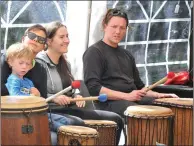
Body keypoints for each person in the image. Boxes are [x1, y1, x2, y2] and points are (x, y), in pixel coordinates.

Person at [35, 21, 124, 145]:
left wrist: (76, 95)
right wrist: (53, 98)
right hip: (51, 112)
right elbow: (35, 95)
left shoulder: (66, 64)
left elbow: (72, 88)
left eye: (67, 36)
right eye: (61, 37)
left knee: (116, 119)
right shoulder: (38, 64)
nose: (67, 40)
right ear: (49, 41)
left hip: (68, 109)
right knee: (77, 123)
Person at [83, 8, 179, 118]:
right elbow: (93, 88)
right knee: (141, 112)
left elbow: (140, 87)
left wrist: (160, 95)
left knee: (167, 106)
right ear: (105, 26)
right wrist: (127, 96)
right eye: (114, 27)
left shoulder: (127, 55)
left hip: (130, 100)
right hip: (108, 104)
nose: (118, 32)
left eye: (122, 28)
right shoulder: (94, 52)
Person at [0, 24, 75, 146]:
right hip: (9, 116)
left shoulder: (40, 68)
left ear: (44, 47)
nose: (35, 40)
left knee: (71, 123)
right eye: (32, 35)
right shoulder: (7, 58)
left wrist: (38, 96)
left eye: (41, 40)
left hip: (35, 114)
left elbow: (43, 100)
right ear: (23, 38)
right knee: (57, 136)